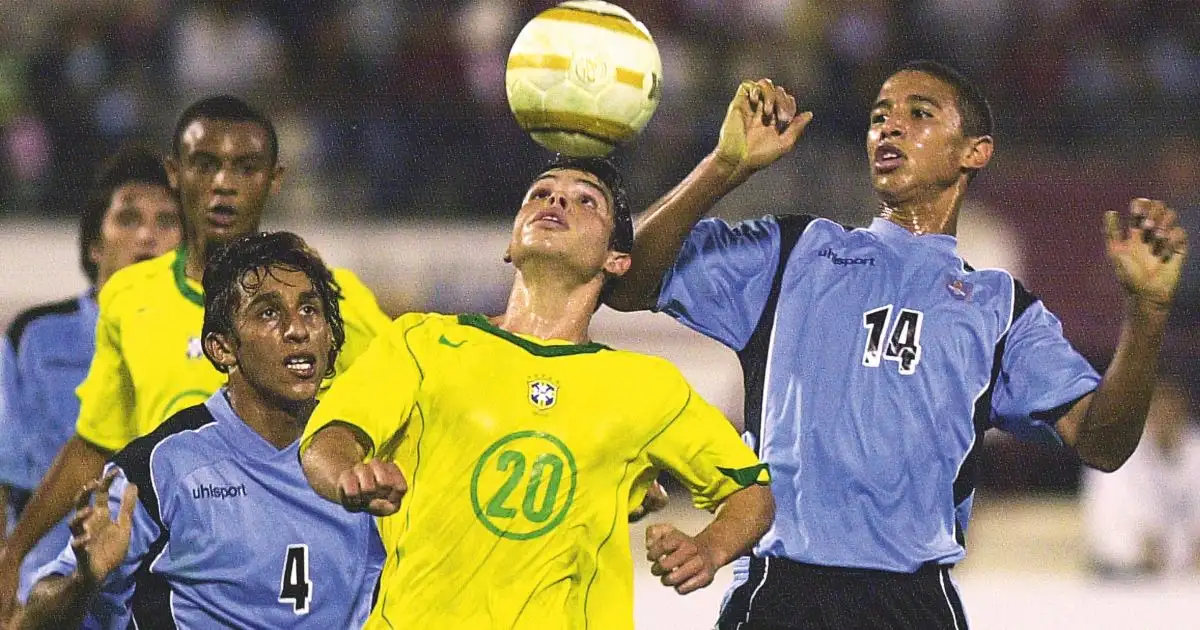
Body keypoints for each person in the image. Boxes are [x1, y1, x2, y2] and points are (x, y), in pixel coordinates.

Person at [604, 60, 1189, 629]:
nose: (891, 126)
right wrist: (724, 166)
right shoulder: (792, 253)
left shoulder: (1000, 311)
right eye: (880, 115)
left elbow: (1103, 444)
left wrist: (1146, 313)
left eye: (920, 113)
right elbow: (627, 281)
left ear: (974, 152)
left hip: (912, 601)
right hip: (780, 589)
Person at [297, 156, 776, 629]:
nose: (557, 200)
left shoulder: (646, 386)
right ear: (510, 243)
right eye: (540, 194)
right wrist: (346, 474)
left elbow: (750, 491)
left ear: (617, 259)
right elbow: (330, 437)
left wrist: (708, 548)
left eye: (586, 201)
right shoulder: (423, 342)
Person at [0, 96, 391, 619]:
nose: (224, 183)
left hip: (284, 552)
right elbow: (96, 440)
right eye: (207, 164)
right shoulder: (129, 296)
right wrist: (15, 550)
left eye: (245, 167)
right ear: (175, 172)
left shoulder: (334, 300)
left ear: (273, 180)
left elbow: (406, 399)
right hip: (158, 549)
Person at [18, 231, 385, 629]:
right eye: (268, 313)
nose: (297, 329)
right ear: (222, 348)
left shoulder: (369, 464)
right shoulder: (158, 470)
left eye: (310, 310)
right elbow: (36, 619)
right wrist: (83, 581)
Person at [0, 146, 182, 605]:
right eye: (128, 218)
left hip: (155, 593)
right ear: (94, 244)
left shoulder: (204, 340)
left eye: (166, 221)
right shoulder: (35, 337)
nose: (148, 236)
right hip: (45, 590)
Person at [1082, 375, 1200, 578]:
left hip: (1186, 573)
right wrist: (1139, 549)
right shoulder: (1114, 452)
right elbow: (1104, 526)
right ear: (1144, 410)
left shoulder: (1194, 450)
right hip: (1126, 572)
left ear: (1183, 408)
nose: (1165, 415)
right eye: (1157, 407)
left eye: (1171, 407)